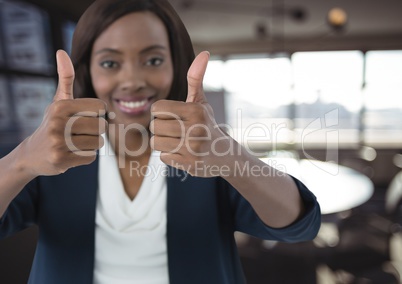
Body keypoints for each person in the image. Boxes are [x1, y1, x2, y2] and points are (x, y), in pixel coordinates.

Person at [0, 0, 321, 283]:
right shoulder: (51, 156)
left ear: (176, 65)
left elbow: (298, 226)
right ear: (87, 71)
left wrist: (229, 158)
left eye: (152, 60)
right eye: (110, 63)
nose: (133, 81)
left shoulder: (206, 152)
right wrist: (23, 159)